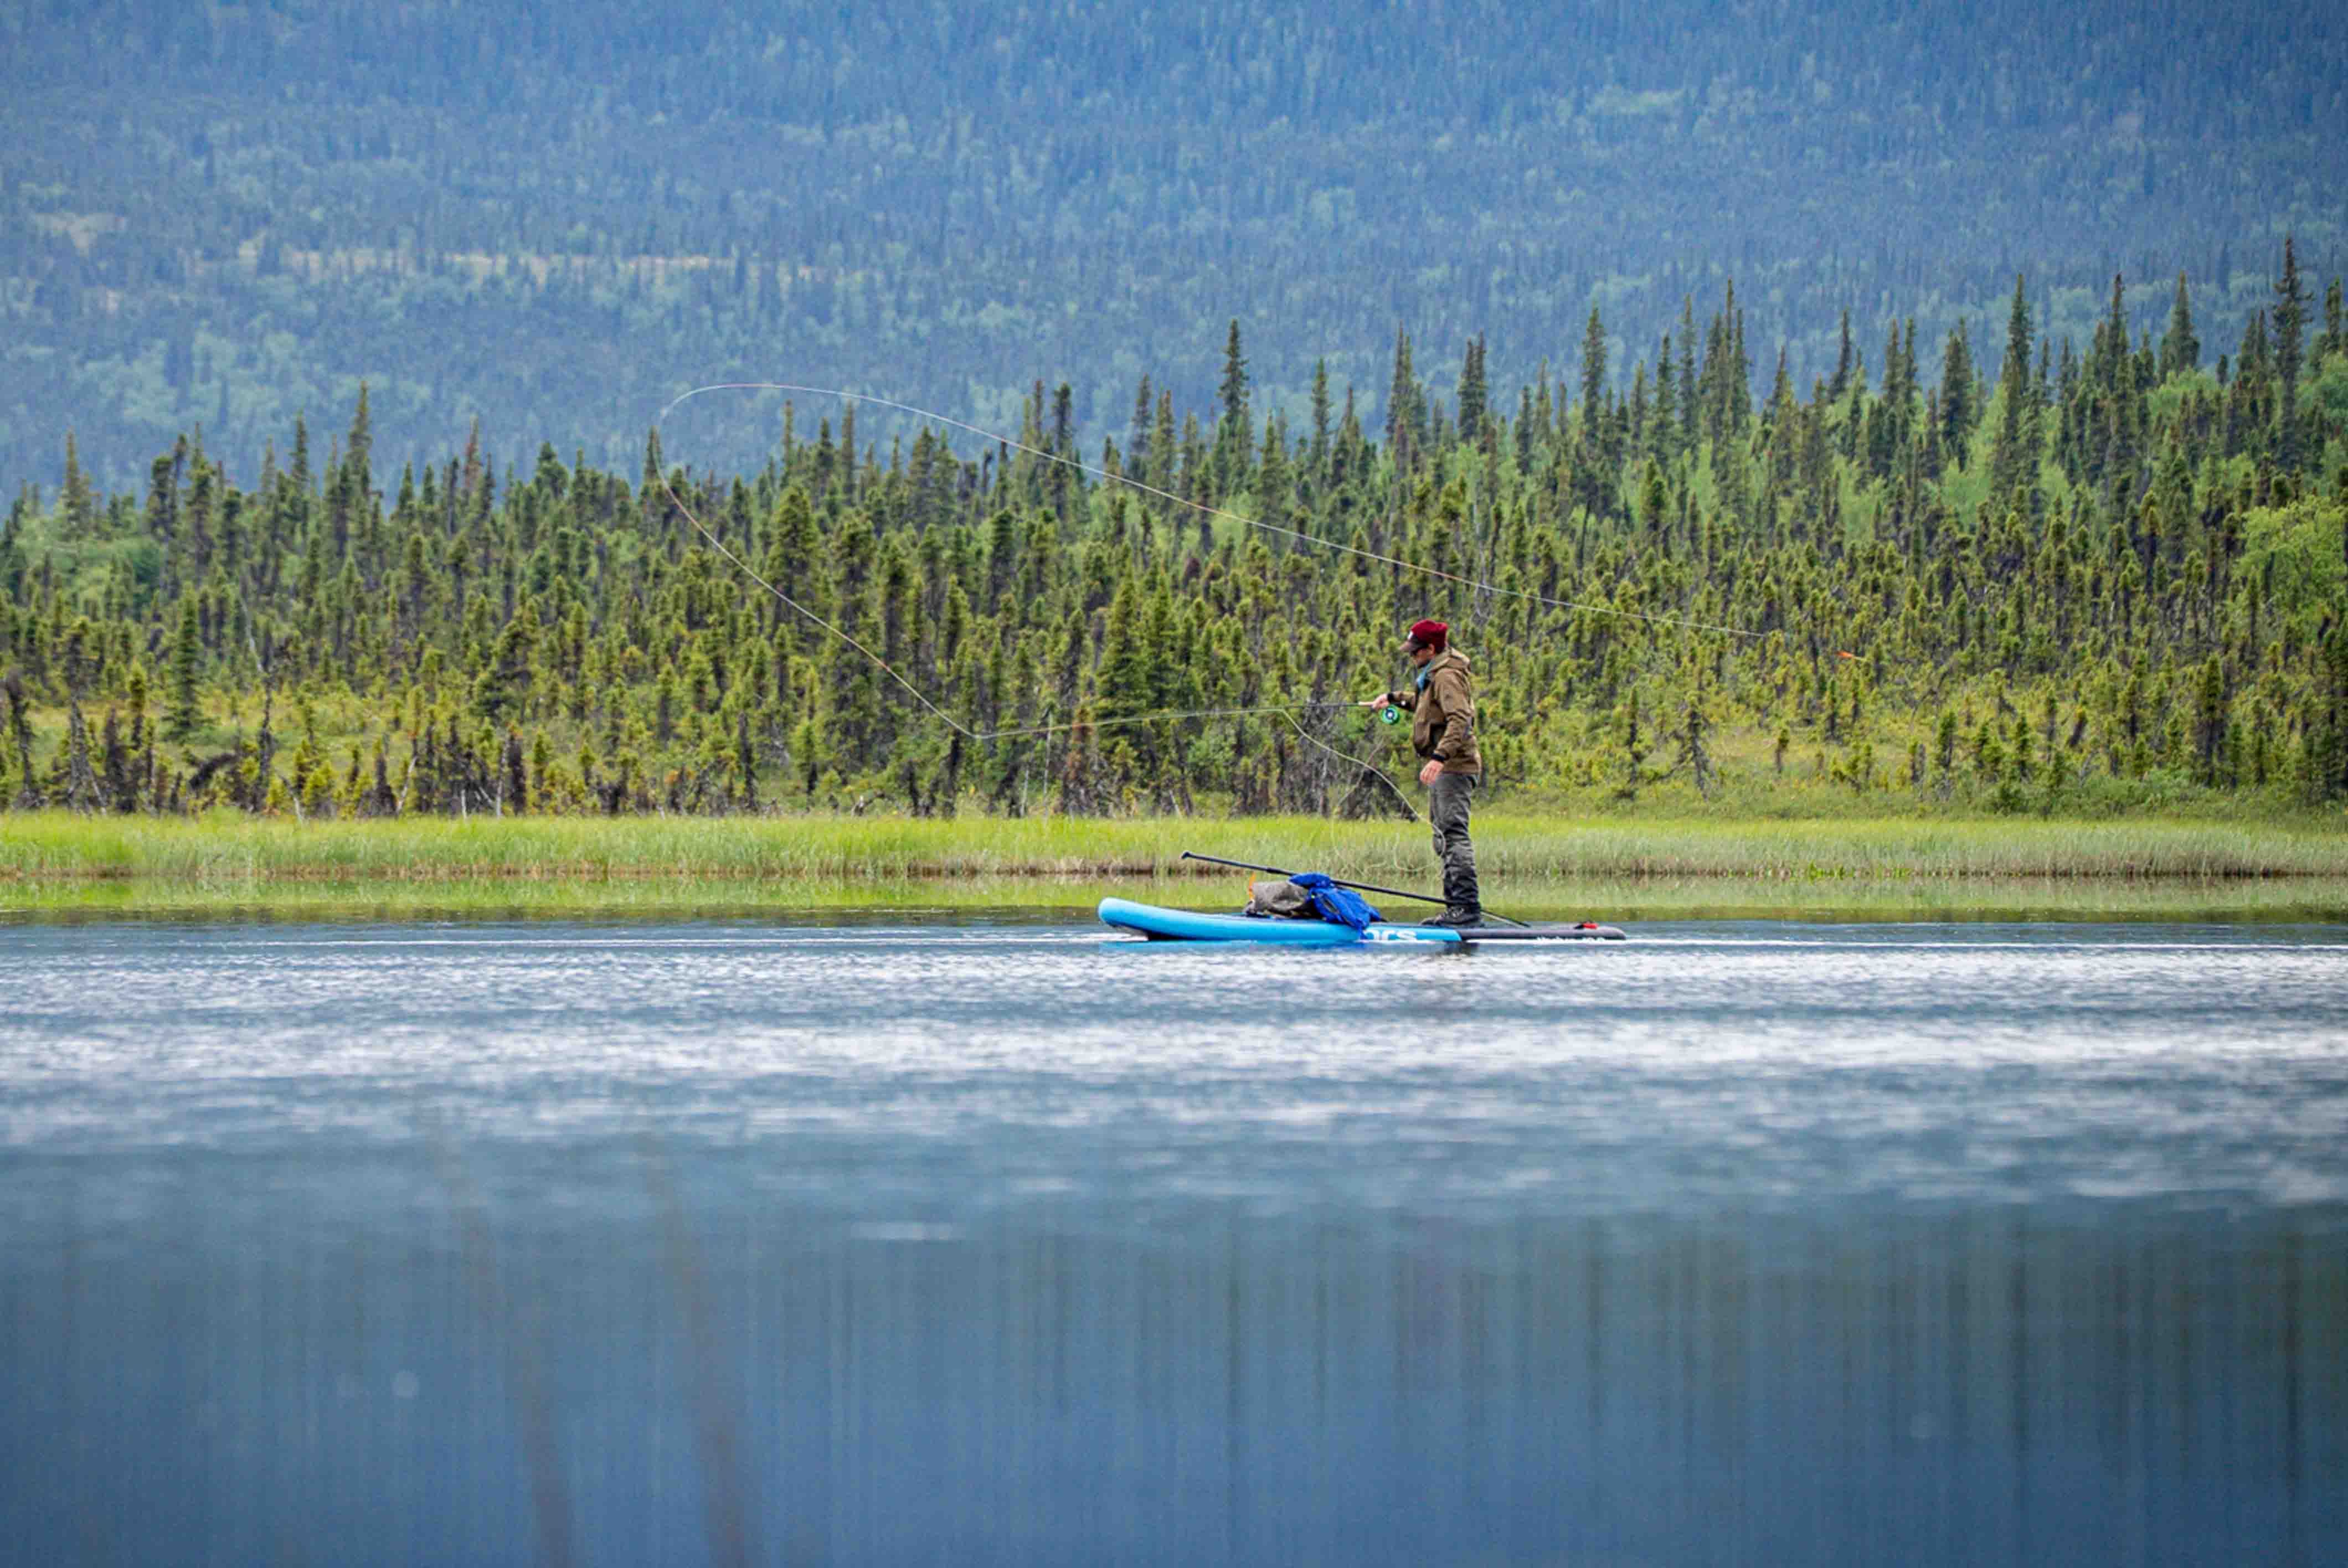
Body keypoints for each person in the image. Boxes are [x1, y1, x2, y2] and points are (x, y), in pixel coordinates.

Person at [1363, 618, 1482, 926]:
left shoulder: (1446, 677)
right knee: (1444, 836)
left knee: (1454, 835)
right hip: (1447, 768)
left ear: (1432, 649)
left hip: (1454, 767)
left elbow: (1460, 720)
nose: (1411, 656)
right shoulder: (1434, 675)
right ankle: (1455, 908)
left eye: (1416, 651)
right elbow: (1427, 707)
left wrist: (1439, 757)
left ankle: (1466, 909)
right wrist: (1392, 698)